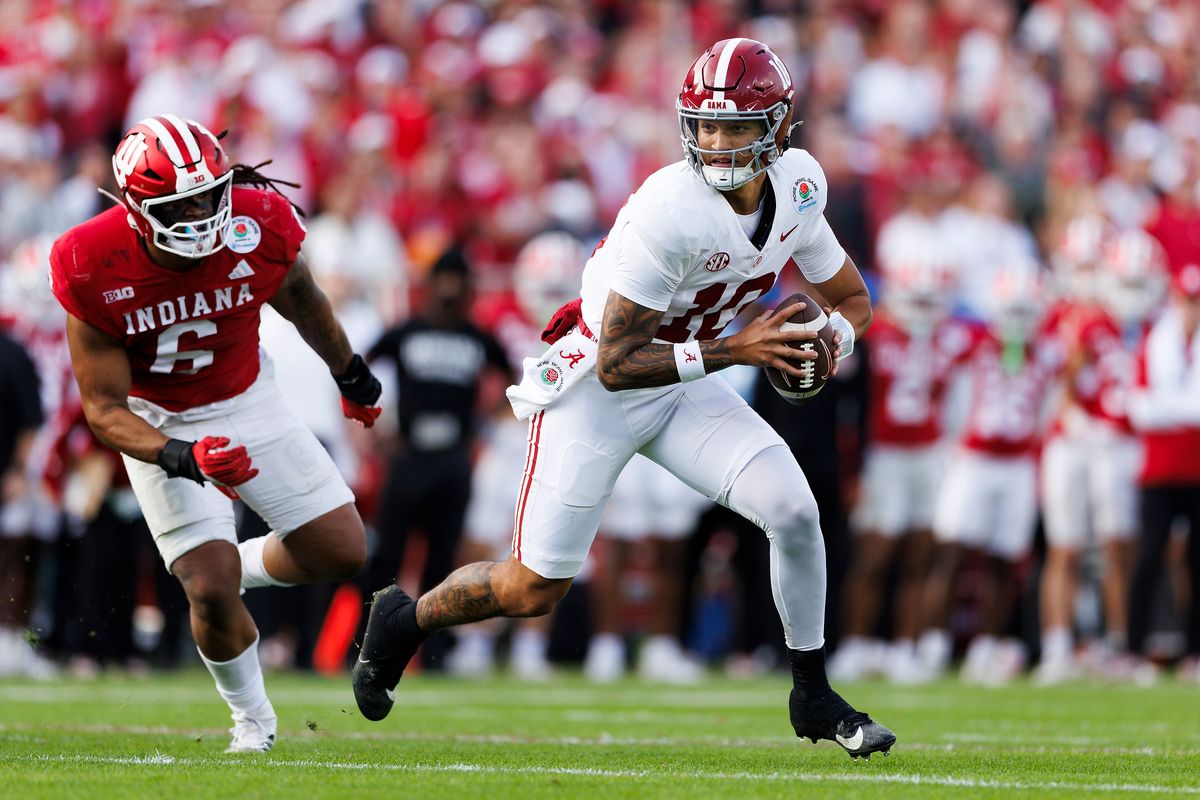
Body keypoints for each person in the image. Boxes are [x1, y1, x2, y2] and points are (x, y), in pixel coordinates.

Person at [353, 39, 896, 759]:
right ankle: (403, 621)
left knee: (795, 511)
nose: (717, 142)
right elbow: (616, 363)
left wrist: (830, 340)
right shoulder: (670, 208)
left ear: (777, 124)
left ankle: (813, 693)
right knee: (531, 588)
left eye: (735, 126)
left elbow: (853, 299)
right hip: (597, 388)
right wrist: (738, 350)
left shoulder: (799, 186)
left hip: (686, 380)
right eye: (706, 125)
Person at [49, 114, 383, 752]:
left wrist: (351, 375)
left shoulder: (258, 224)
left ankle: (239, 567)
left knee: (342, 551)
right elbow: (104, 408)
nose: (201, 215)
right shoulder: (90, 261)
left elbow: (304, 300)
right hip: (160, 419)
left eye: (208, 195)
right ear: (135, 209)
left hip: (249, 398)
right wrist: (182, 456)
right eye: (180, 205)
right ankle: (251, 721)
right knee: (207, 589)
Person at [357, 247, 511, 669]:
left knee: (443, 561)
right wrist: (378, 425)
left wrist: (482, 423)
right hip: (409, 456)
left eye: (456, 279)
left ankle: (436, 654)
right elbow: (362, 366)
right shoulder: (406, 331)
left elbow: (512, 379)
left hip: (452, 461)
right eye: (443, 278)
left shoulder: (476, 337)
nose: (449, 287)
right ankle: (367, 646)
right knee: (388, 557)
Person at [1126, 263, 1200, 681]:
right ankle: (1134, 647)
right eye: (1187, 300)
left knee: (1196, 563)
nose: (1192, 309)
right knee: (1148, 558)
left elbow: (1159, 407)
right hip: (1159, 470)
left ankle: (1195, 650)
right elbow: (1139, 410)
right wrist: (1183, 410)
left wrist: (1168, 407)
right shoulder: (1156, 342)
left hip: (1196, 471)